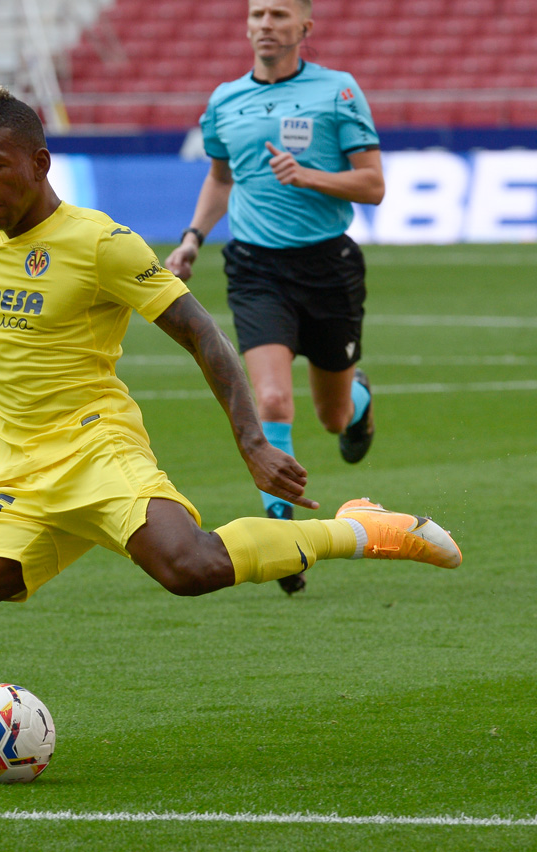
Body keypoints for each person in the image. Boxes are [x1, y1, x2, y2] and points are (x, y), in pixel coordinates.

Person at [0, 86, 460, 780]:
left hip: (97, 451)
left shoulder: (99, 243)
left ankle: (359, 529)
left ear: (40, 162)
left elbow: (201, 333)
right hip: (21, 481)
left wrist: (252, 439)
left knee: (189, 570)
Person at [165, 0, 385, 595]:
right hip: (257, 268)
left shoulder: (337, 93)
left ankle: (358, 400)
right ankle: (283, 533)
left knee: (331, 414)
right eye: (257, 13)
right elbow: (220, 176)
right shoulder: (224, 101)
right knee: (271, 398)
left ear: (304, 28)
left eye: (280, 15)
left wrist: (310, 175)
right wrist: (192, 240)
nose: (266, 23)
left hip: (329, 267)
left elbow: (374, 184)